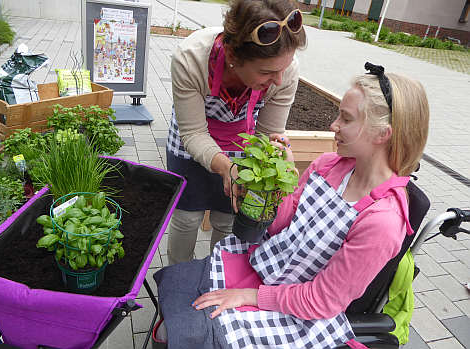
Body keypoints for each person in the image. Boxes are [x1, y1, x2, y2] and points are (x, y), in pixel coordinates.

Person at [154, 64, 430, 348]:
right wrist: (282, 177)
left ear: (382, 134)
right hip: (272, 268)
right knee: (178, 285)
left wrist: (248, 296)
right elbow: (281, 225)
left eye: (345, 119)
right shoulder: (329, 166)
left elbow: (322, 301)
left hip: (302, 312)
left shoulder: (382, 222)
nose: (333, 125)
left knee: (185, 331)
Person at [166, 0, 307, 265]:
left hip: (241, 143)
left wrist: (278, 158)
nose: (278, 81)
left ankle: (218, 280)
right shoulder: (191, 58)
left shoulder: (285, 73)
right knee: (187, 219)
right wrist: (226, 168)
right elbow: (194, 132)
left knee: (226, 218)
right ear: (232, 57)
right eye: (266, 72)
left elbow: (268, 135)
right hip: (191, 142)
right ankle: (176, 278)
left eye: (282, 70)